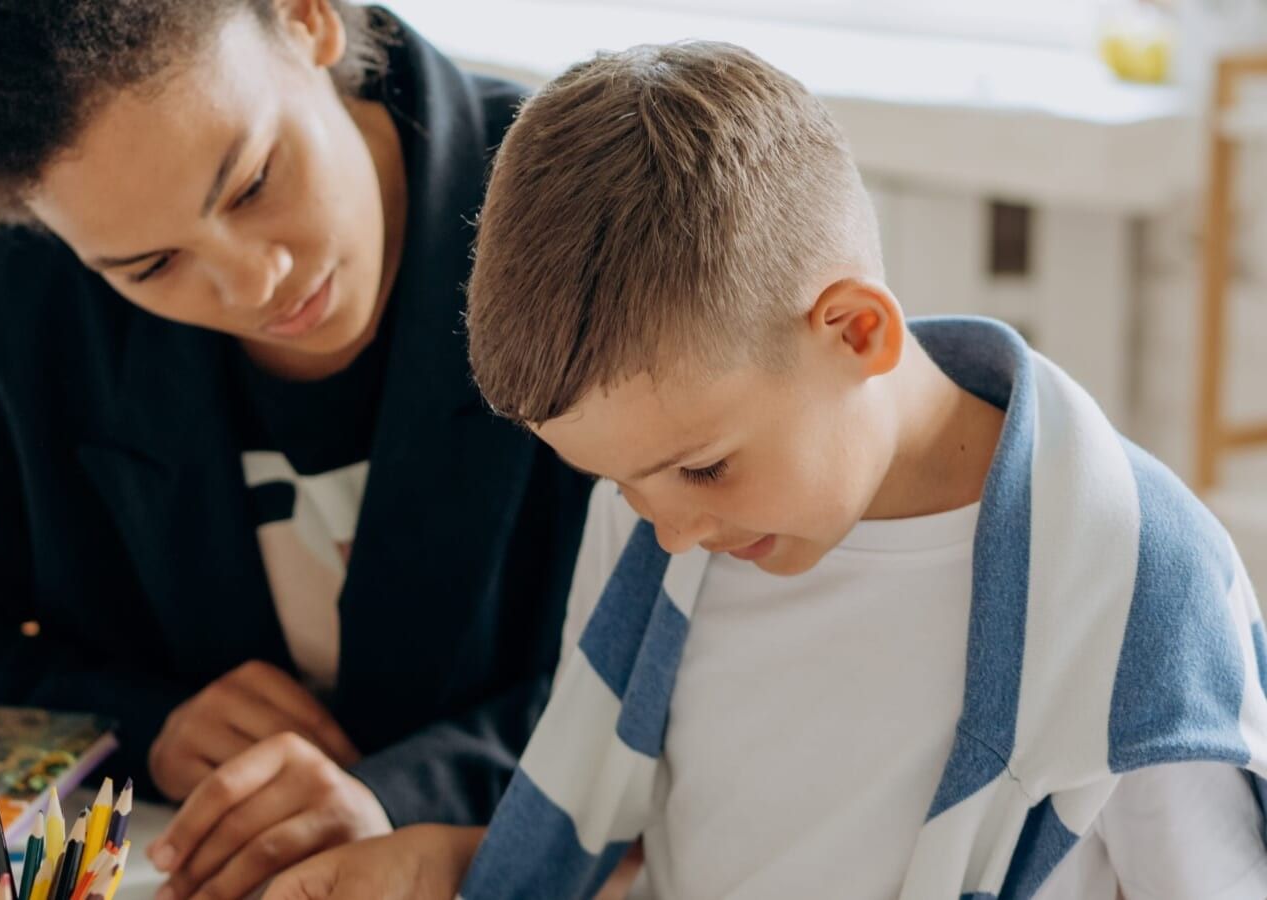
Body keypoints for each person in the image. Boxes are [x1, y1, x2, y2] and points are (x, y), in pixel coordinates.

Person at [264, 41, 1267, 900]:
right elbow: (703, 842)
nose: (665, 531)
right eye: (619, 486)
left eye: (701, 468)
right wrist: (455, 862)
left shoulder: (1134, 597)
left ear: (855, 330)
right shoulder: (672, 527)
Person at [0, 2, 591, 897]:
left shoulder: (582, 217)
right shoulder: (9, 293)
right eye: (149, 267)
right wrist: (143, 724)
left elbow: (688, 663)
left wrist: (405, 793)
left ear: (306, 20)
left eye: (255, 181)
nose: (254, 279)